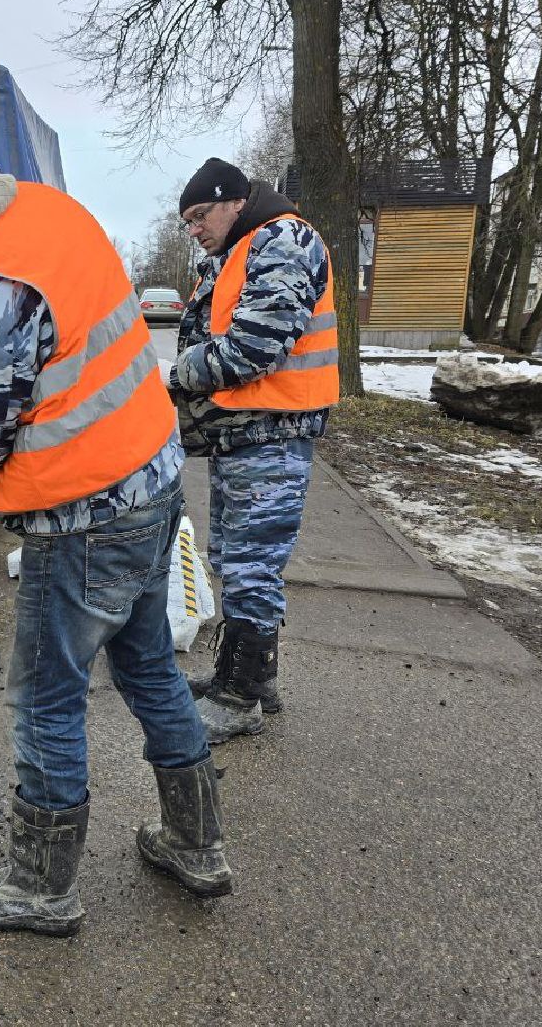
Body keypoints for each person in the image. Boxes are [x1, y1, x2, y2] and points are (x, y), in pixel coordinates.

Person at [0, 145, 232, 938]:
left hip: (85, 515)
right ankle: (197, 844)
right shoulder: (38, 208)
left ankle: (40, 887)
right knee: (150, 668)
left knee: (46, 698)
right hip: (152, 478)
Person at [170, 158, 339, 743]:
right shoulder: (239, 252)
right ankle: (244, 679)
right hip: (247, 432)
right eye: (187, 221)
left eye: (199, 215)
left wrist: (172, 375)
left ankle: (240, 698)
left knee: (251, 564)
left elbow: (253, 346)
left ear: (234, 200)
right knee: (237, 558)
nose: (192, 228)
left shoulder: (285, 241)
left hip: (274, 432)